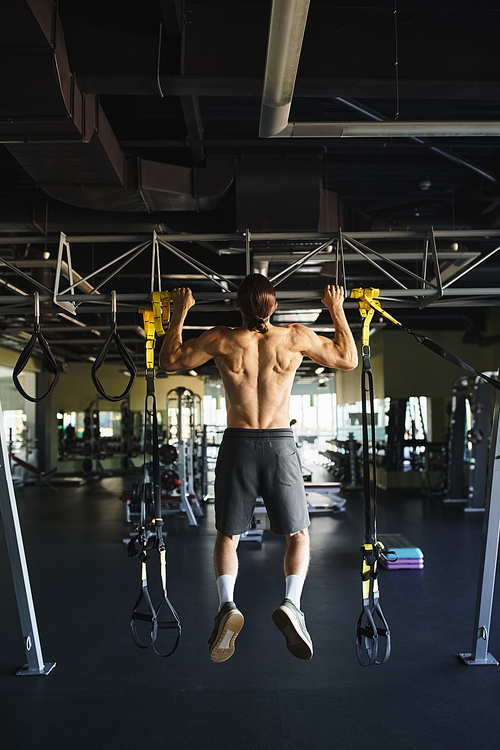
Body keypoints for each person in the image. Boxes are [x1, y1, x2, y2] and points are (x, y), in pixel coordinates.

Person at [159, 274, 358, 663]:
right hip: (281, 444)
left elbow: (169, 361)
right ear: (274, 306)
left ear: (238, 306)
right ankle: (292, 604)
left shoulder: (221, 339)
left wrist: (179, 313)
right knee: (298, 534)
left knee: (228, 536)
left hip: (237, 444)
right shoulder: (295, 337)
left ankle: (228, 605)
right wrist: (336, 309)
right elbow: (348, 359)